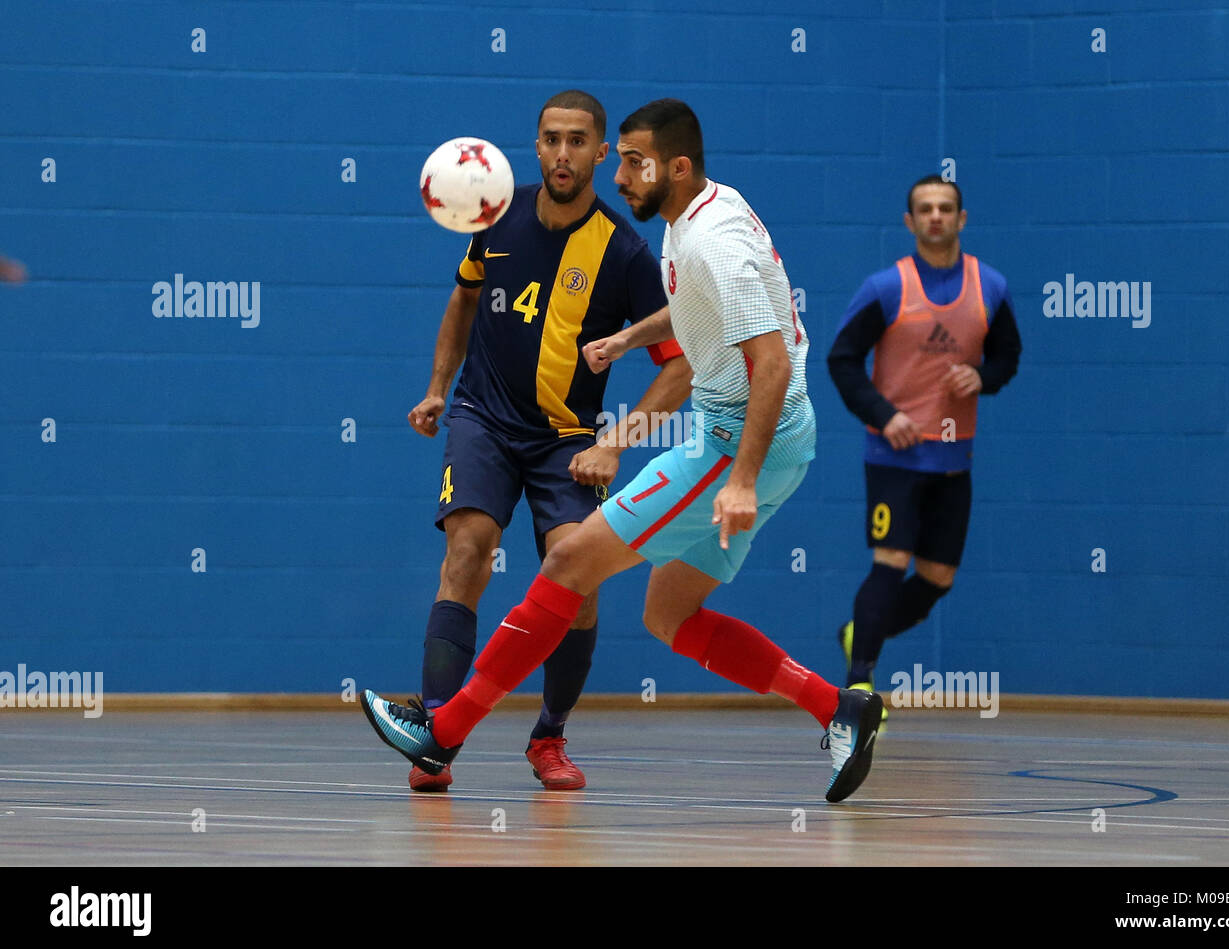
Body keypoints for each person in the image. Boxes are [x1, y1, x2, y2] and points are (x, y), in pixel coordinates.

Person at [363, 98, 884, 804]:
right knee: (669, 616)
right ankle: (839, 707)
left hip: (734, 443)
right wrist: (628, 340)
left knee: (570, 560)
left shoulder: (708, 242)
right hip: (759, 437)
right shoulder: (697, 215)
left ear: (674, 166)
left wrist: (742, 480)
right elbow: (702, 308)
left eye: (632, 162)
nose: (622, 176)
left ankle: (445, 730)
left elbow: (774, 364)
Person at [401, 90, 691, 792]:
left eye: (578, 141)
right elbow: (464, 298)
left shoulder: (624, 253)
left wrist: (617, 443)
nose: (563, 152)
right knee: (468, 549)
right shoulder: (494, 220)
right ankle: (438, 733)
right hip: (483, 417)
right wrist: (440, 386)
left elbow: (680, 367)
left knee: (577, 579)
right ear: (535, 147)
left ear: (599, 153)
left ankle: (549, 736)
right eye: (551, 139)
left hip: (568, 440)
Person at [826, 175, 1022, 714]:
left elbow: (1008, 357)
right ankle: (860, 684)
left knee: (938, 577)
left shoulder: (992, 288)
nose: (935, 216)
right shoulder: (885, 289)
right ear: (910, 222)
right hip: (894, 456)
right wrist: (883, 415)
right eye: (924, 209)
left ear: (962, 219)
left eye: (946, 208)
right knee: (889, 561)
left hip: (955, 458)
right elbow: (842, 360)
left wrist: (983, 376)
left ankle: (859, 633)